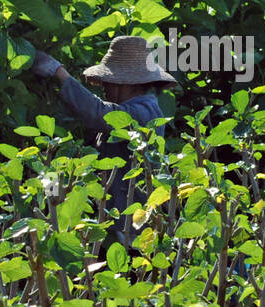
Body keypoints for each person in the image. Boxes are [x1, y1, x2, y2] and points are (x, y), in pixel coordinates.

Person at [28, 35, 177, 248]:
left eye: (108, 81)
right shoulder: (126, 111)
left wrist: (59, 73)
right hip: (110, 218)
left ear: (124, 83)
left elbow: (99, 113)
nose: (104, 87)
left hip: (129, 226)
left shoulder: (146, 112)